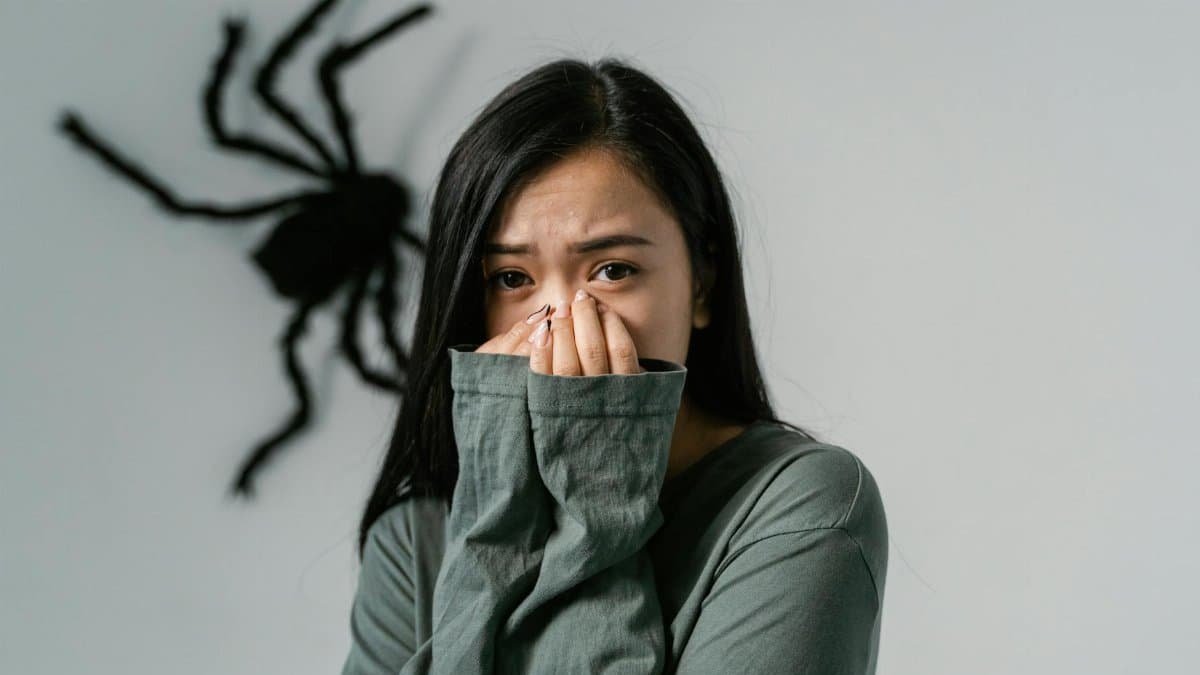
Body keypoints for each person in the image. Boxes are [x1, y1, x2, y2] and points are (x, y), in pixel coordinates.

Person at [341, 56, 888, 674]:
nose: (562, 321)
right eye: (512, 278)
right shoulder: (416, 537)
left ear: (702, 283)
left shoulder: (802, 506)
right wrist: (497, 504)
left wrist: (595, 497)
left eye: (613, 271)